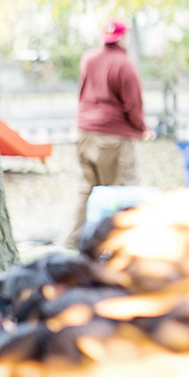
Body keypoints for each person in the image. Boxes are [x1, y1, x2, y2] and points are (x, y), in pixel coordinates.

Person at [69, 19, 149, 246]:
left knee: (88, 189)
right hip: (111, 136)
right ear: (123, 38)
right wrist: (142, 128)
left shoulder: (88, 58)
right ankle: (122, 242)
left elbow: (82, 91)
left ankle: (75, 239)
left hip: (83, 132)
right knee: (122, 189)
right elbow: (133, 104)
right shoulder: (124, 65)